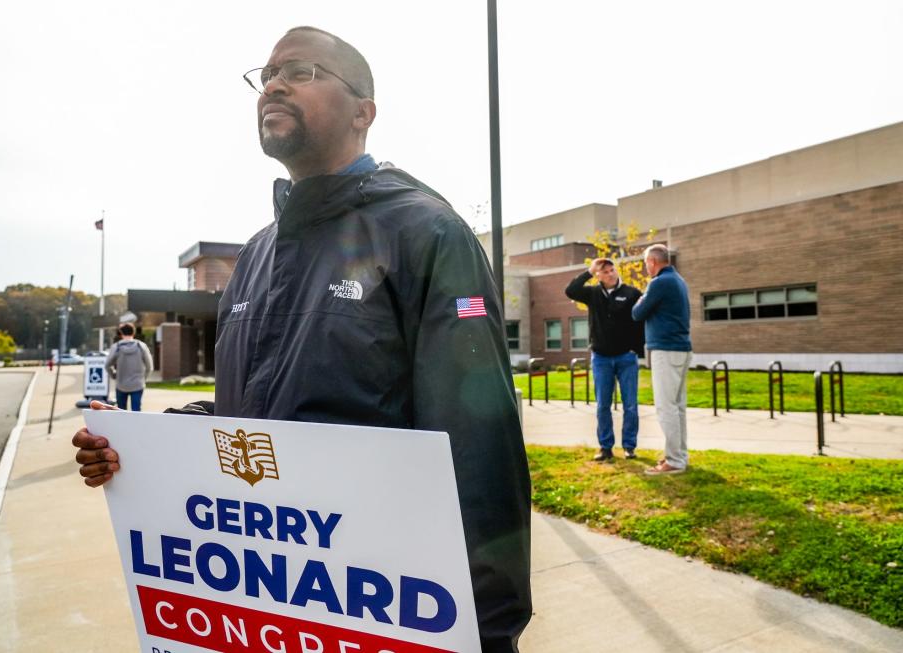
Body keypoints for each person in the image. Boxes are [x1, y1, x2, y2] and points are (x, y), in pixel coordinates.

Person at [73, 26, 531, 652]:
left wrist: (487, 629)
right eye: (266, 76)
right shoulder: (257, 254)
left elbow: (480, 446)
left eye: (303, 71)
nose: (276, 86)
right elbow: (255, 414)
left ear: (363, 114)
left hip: (384, 607)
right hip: (267, 607)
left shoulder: (426, 232)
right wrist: (142, 446)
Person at [564, 258, 644, 461]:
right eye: (605, 271)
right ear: (598, 275)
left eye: (612, 270)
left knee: (630, 405)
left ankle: (629, 446)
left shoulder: (631, 293)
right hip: (601, 358)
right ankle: (605, 447)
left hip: (626, 357)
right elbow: (571, 290)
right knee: (602, 405)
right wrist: (589, 271)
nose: (610, 273)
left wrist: (637, 349)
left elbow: (641, 321)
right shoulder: (591, 294)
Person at [631, 244, 692, 475]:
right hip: (681, 349)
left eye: (646, 262)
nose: (646, 267)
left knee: (666, 407)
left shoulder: (659, 282)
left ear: (653, 262)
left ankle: (674, 461)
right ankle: (679, 456)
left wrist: (643, 298)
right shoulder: (678, 280)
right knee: (677, 407)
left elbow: (637, 312)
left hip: (666, 350)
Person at [105, 322, 153, 411]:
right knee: (136, 412)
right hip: (138, 384)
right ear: (133, 333)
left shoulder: (116, 347)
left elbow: (107, 365)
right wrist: (143, 379)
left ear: (121, 333)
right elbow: (149, 366)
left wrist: (114, 375)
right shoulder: (141, 346)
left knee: (121, 412)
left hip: (121, 384)